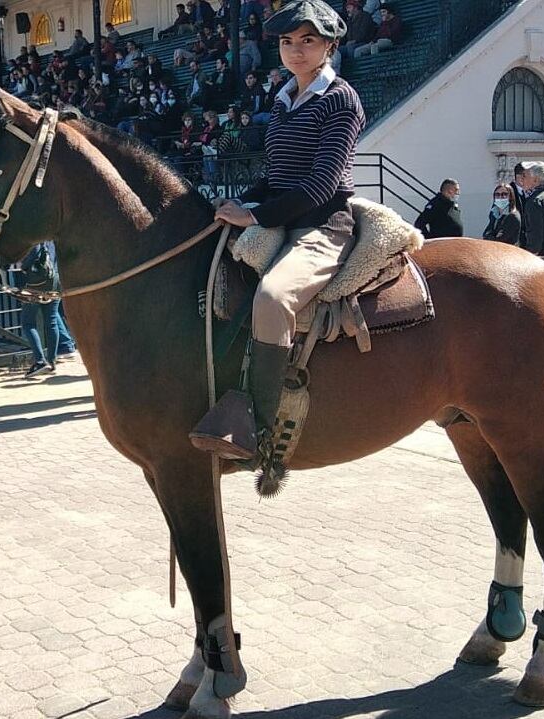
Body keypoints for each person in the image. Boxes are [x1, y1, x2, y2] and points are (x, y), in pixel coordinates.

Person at [190, 0, 364, 461]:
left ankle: (262, 425)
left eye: (307, 41)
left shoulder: (341, 98)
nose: (295, 50)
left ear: (328, 46)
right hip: (283, 213)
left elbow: (322, 183)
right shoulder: (283, 98)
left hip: (323, 224)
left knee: (272, 298)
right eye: (288, 42)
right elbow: (278, 175)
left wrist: (258, 216)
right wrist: (243, 201)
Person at [19, 241, 61, 377]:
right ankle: (52, 359)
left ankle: (40, 360)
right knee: (51, 321)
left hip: (34, 284)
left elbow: (29, 260)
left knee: (28, 323)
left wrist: (22, 268)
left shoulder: (34, 239)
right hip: (55, 279)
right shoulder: (52, 238)